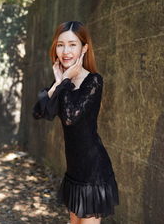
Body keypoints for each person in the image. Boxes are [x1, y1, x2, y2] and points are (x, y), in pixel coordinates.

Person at [32, 21, 119, 224]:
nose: (65, 51)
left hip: (94, 170)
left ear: (84, 48)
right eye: (60, 44)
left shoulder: (93, 81)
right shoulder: (62, 81)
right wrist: (59, 82)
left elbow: (70, 117)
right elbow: (39, 112)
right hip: (74, 170)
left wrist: (64, 82)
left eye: (72, 44)